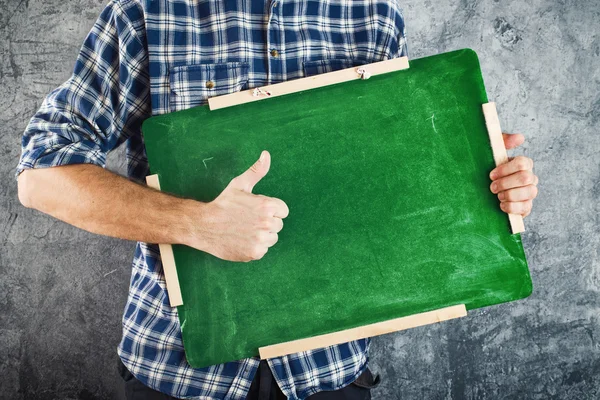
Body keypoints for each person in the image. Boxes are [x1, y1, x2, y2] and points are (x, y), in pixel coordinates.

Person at [16, 1, 539, 399]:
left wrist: (486, 188)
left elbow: (389, 189)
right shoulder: (143, 16)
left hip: (331, 372)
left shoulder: (373, 16)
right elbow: (39, 175)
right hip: (177, 372)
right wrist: (195, 223)